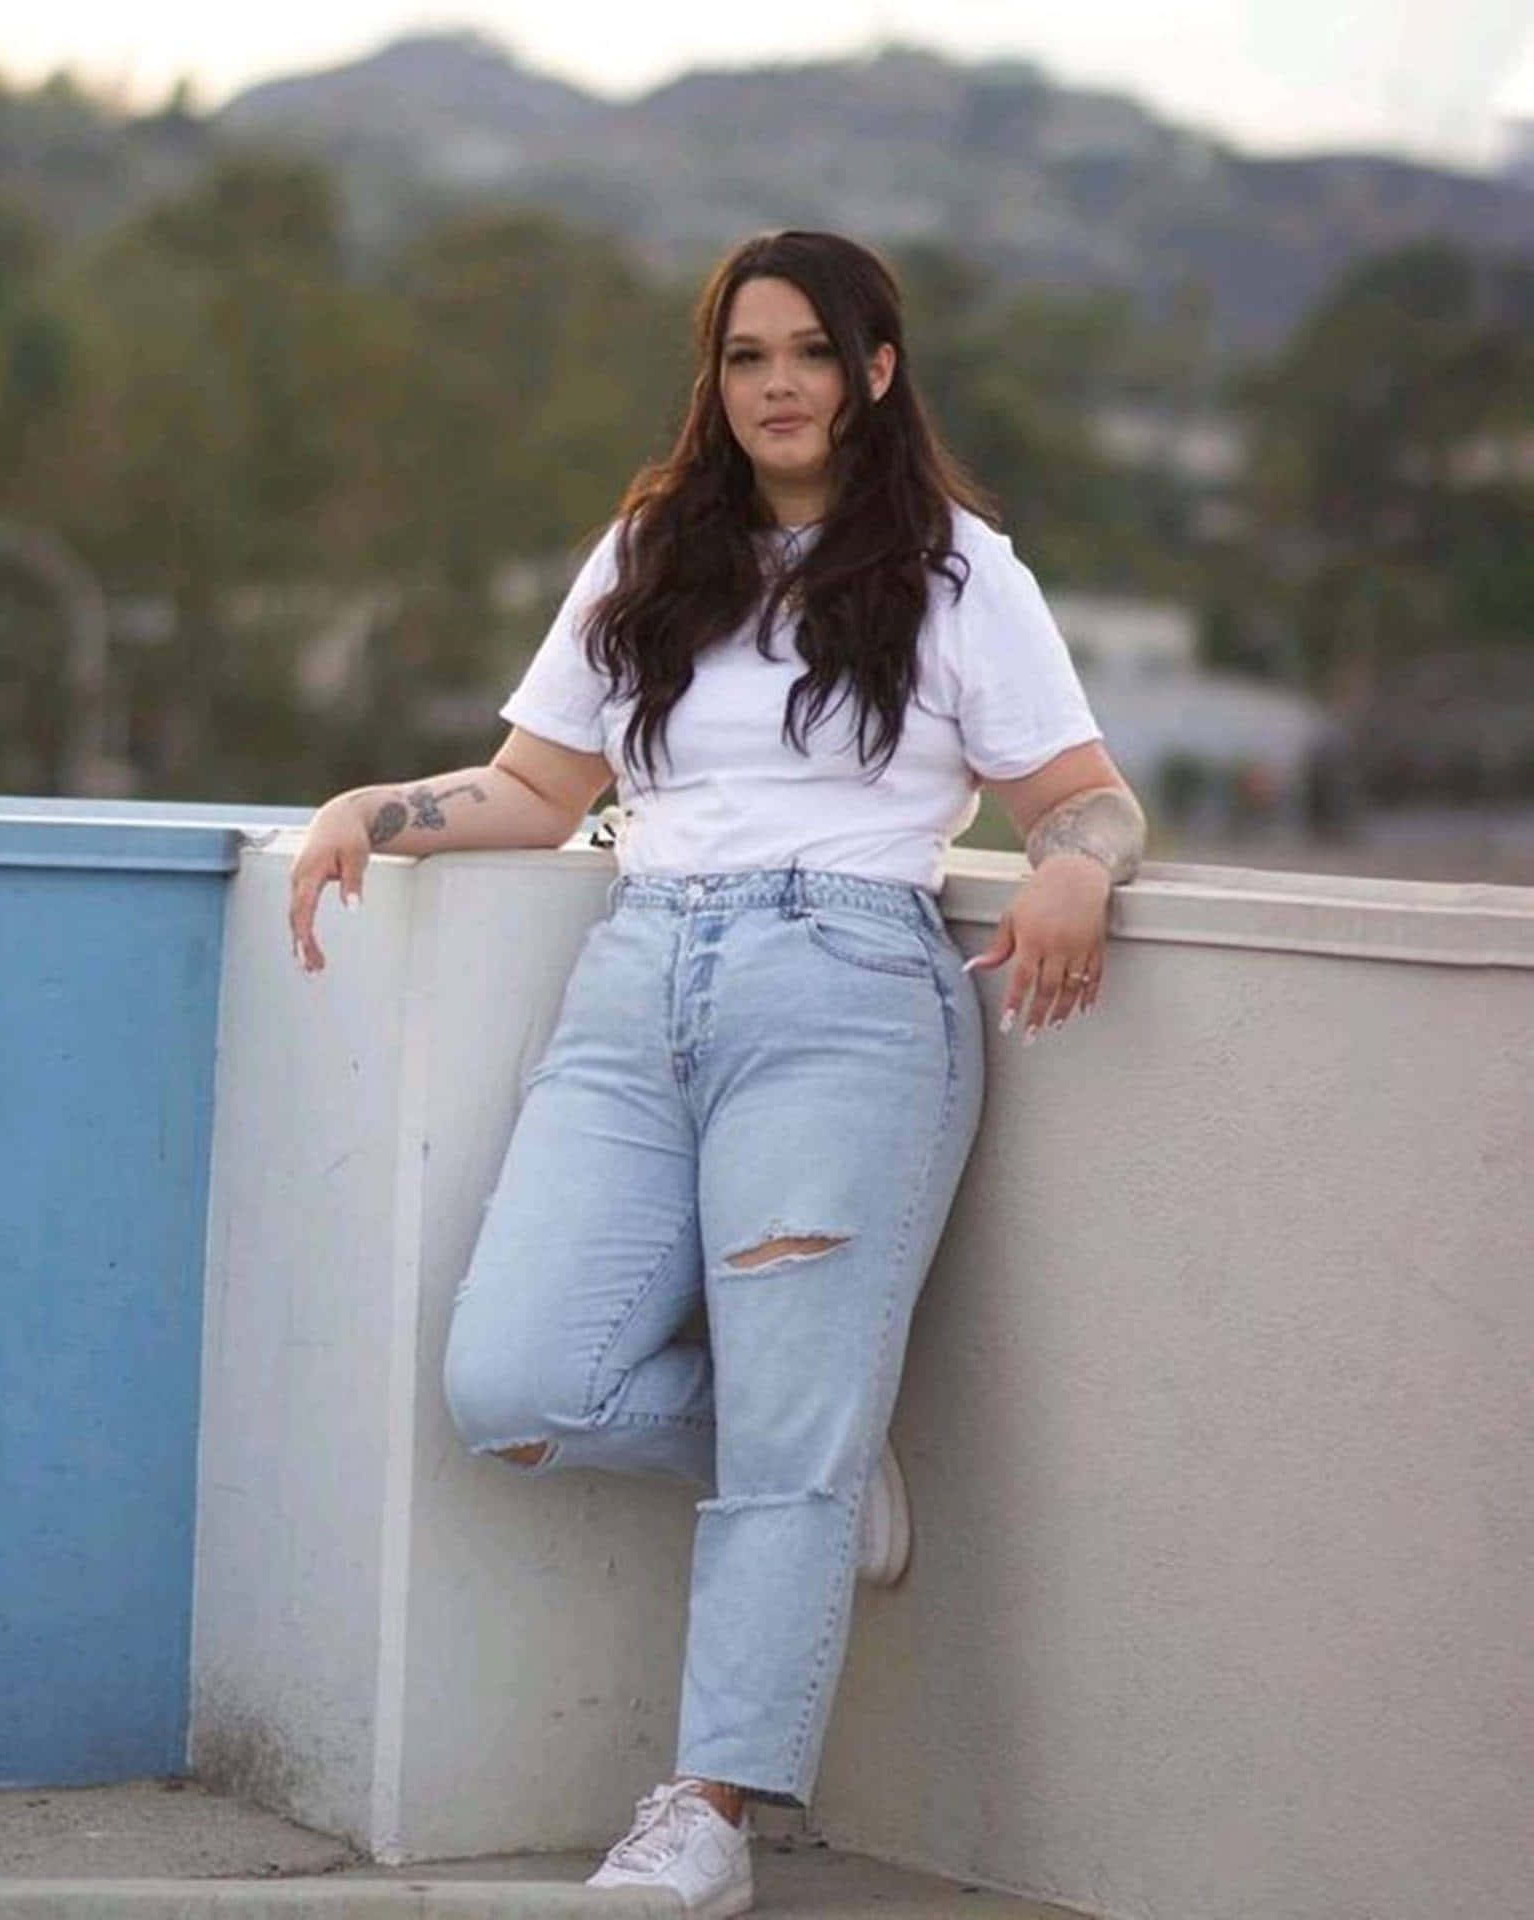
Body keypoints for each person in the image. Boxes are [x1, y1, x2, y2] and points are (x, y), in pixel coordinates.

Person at [287, 228, 1146, 1917]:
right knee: (515, 1384)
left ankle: (707, 1814)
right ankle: (812, 1452)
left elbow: (1085, 793)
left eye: (811, 354)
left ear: (876, 371)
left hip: (847, 996)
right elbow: (539, 789)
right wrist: (373, 813)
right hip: (635, 986)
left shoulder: (966, 577)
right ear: (718, 375)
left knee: (782, 1456)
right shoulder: (648, 556)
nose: (777, 386)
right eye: (747, 356)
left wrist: (1081, 867)